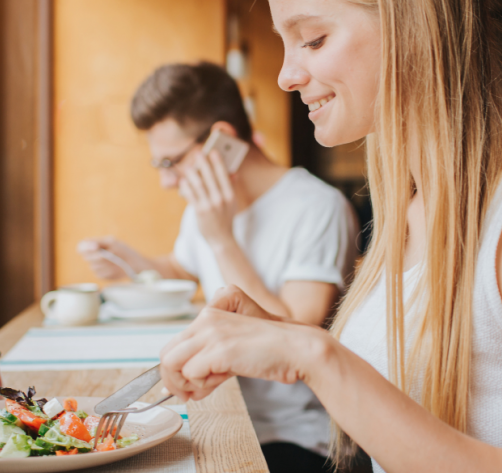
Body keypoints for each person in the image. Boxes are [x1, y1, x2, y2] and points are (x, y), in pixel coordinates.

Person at [158, 0, 502, 472]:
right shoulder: (410, 205)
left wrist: (314, 355)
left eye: (313, 40)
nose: (286, 76)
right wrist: (275, 336)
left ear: (412, 26)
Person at [78, 62, 358, 473]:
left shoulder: (318, 207)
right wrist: (130, 261)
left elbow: (295, 330)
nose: (167, 182)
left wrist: (223, 238)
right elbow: (183, 266)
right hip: (221, 413)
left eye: (170, 162)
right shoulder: (204, 210)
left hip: (297, 438)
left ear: (222, 140)